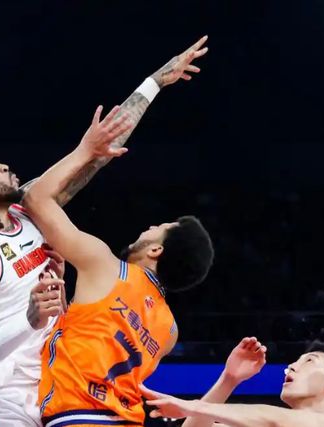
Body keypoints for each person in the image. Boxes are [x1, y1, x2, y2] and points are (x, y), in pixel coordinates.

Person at [0, 35, 209, 427]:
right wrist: (29, 319)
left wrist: (154, 83)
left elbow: (98, 155)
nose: (2, 165)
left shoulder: (27, 211)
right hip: (3, 398)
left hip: (55, 388)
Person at [23, 36, 212, 427]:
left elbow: (36, 199)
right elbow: (97, 337)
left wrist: (85, 150)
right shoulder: (169, 330)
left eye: (159, 228)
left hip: (79, 417)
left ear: (157, 251)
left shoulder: (105, 265)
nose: (150, 226)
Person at [141, 340, 324, 427]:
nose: (291, 366)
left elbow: (280, 420)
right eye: (295, 361)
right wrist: (229, 380)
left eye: (309, 361)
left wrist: (192, 406)